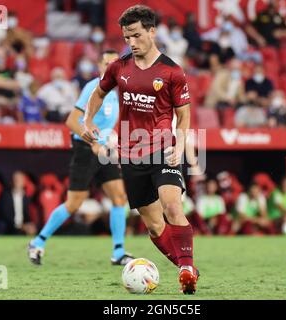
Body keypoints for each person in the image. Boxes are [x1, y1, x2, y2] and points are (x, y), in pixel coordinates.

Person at [80, 5, 198, 294]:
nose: (131, 42)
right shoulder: (119, 68)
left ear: (152, 31)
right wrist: (87, 119)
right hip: (131, 154)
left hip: (163, 149)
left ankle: (185, 270)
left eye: (135, 35)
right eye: (126, 38)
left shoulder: (172, 71)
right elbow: (98, 93)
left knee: (172, 204)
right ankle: (187, 267)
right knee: (155, 226)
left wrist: (180, 144)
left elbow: (183, 115)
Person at [29, 49, 135, 266]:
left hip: (103, 149)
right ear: (99, 66)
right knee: (74, 203)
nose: (110, 67)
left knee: (118, 197)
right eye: (106, 63)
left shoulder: (117, 92)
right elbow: (72, 121)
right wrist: (93, 142)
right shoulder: (92, 88)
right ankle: (38, 242)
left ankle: (118, 251)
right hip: (85, 149)